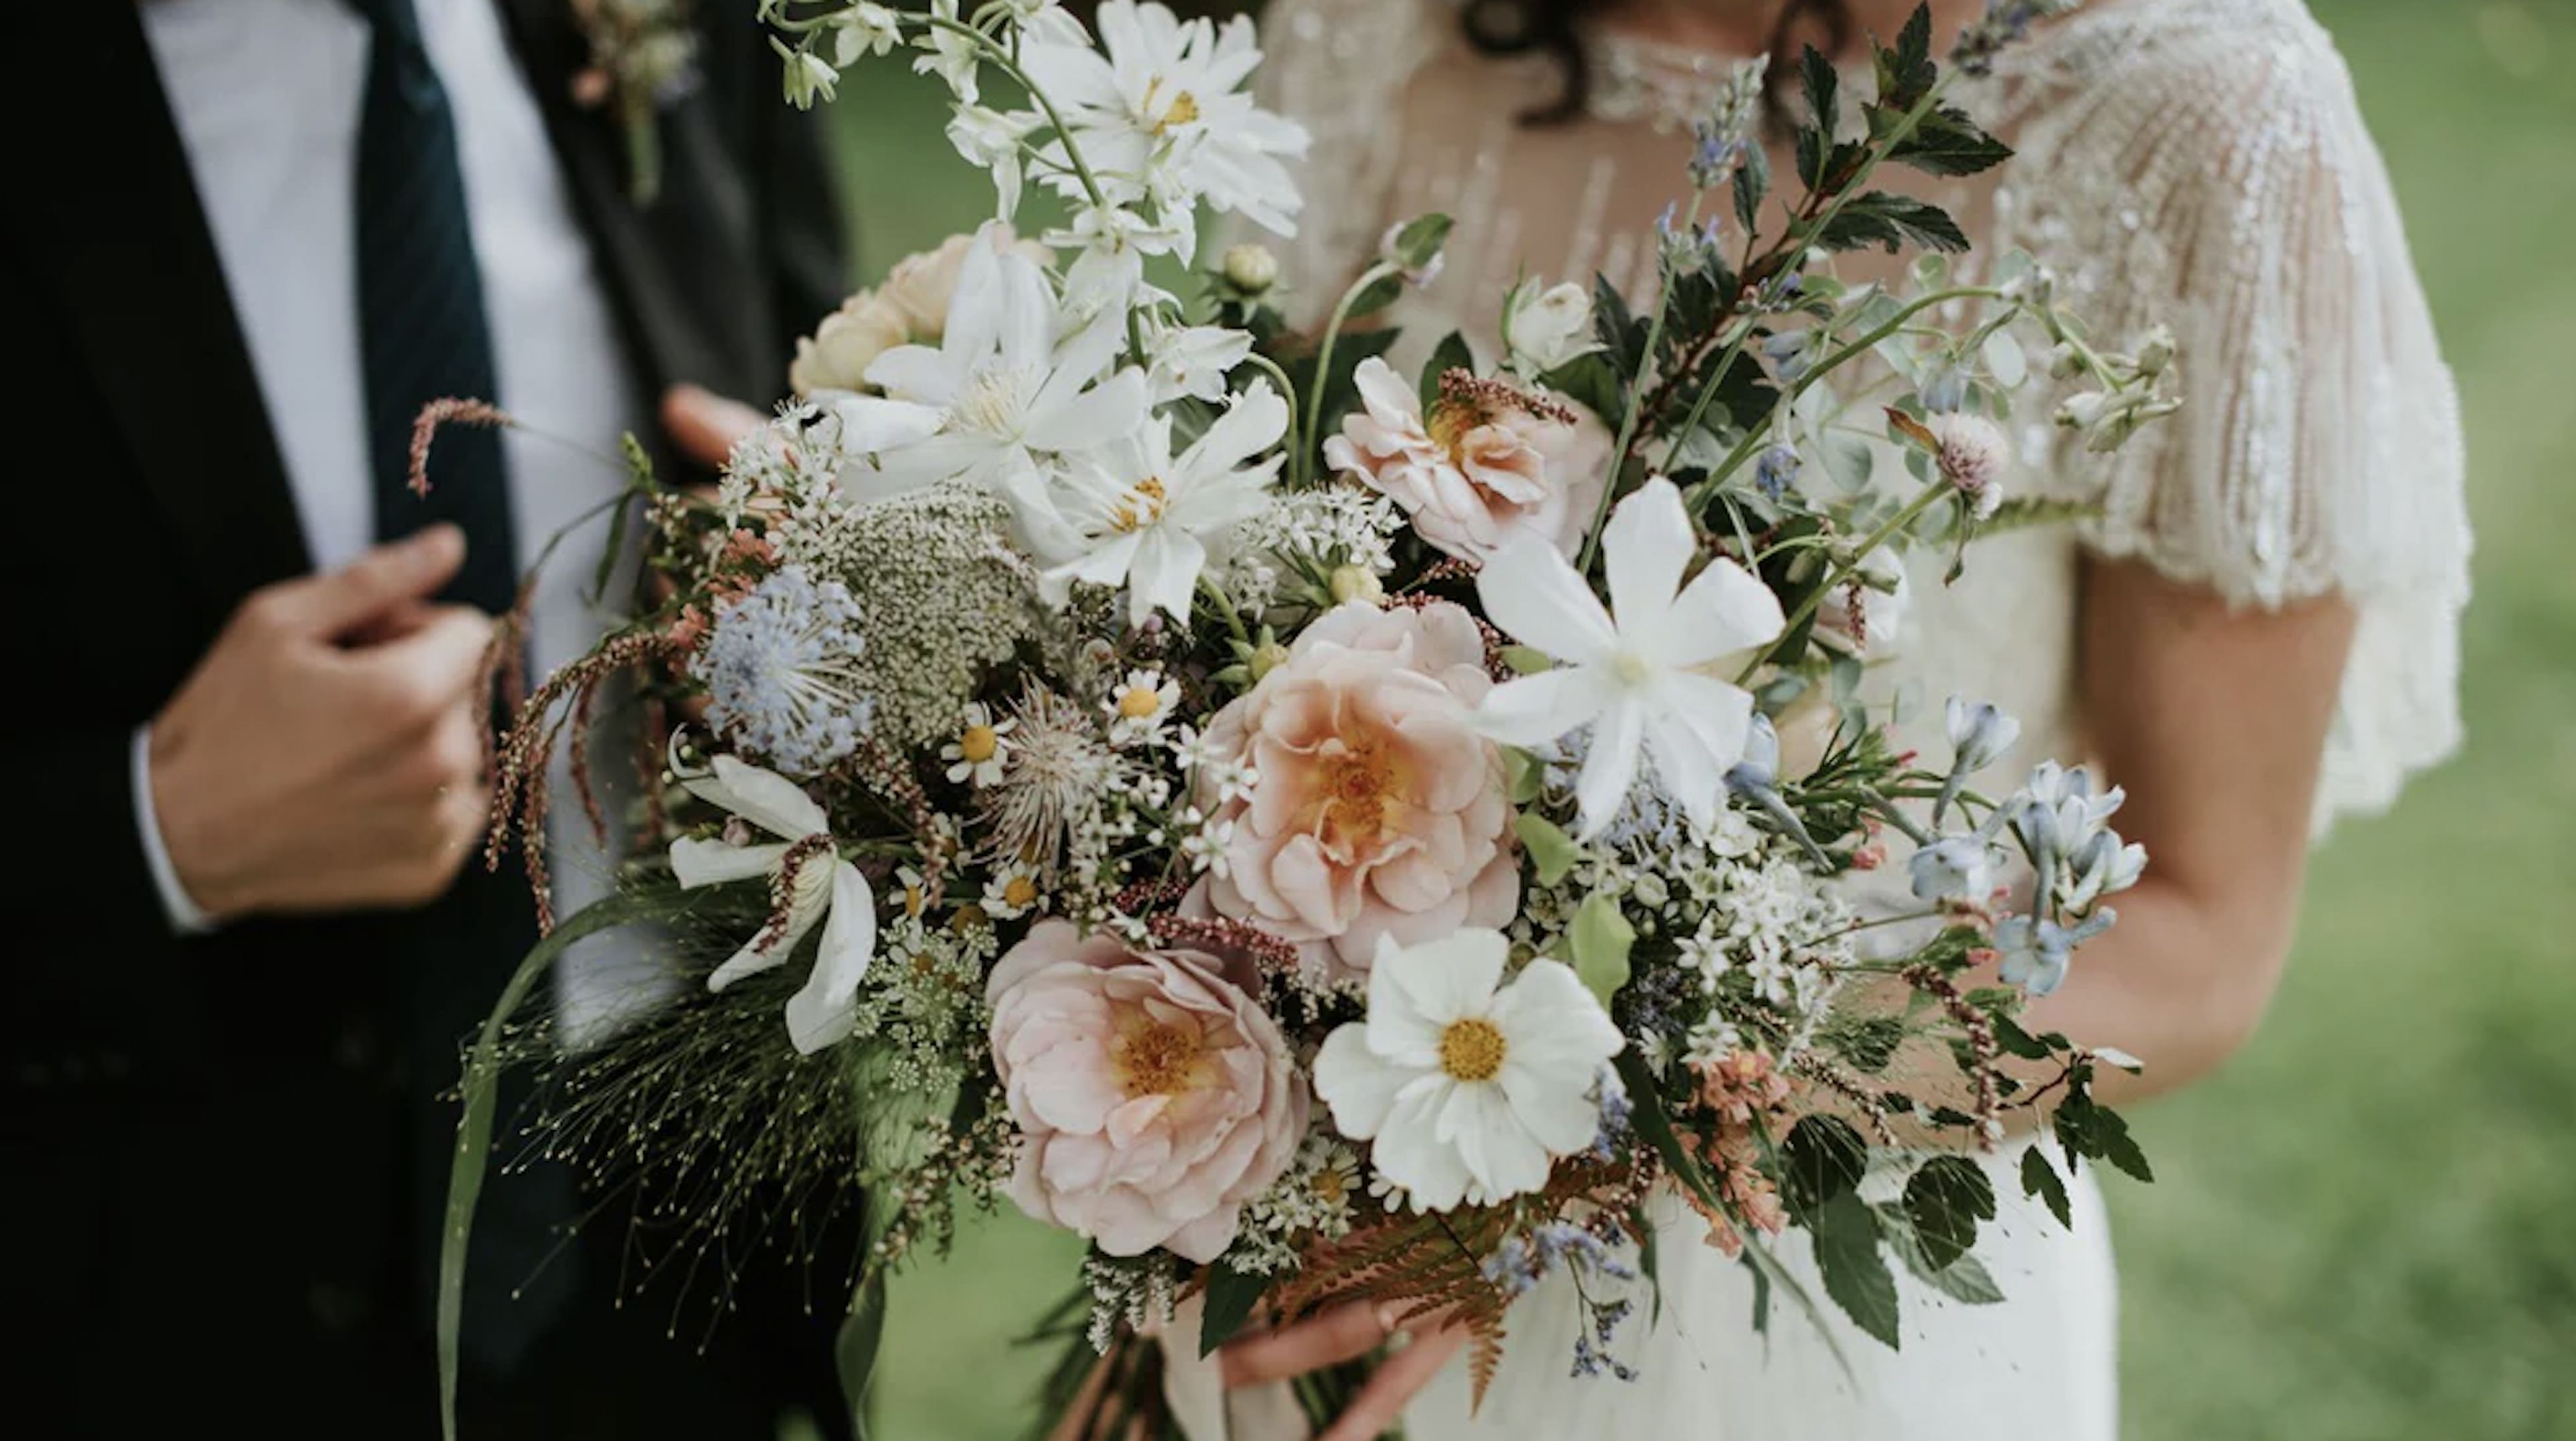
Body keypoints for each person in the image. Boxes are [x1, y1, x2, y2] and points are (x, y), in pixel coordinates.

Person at [1210, 0, 2470, 1436]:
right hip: (1303, 1287)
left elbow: (2200, 941)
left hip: (1790, 1319)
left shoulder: (2209, 116)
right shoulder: (1380, 28)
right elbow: (1252, 637)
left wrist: (1600, 1129)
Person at [0, 0, 851, 1434]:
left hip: (679, 1285)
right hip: (143, 1314)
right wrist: (155, 830)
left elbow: (818, 405)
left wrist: (834, 577)